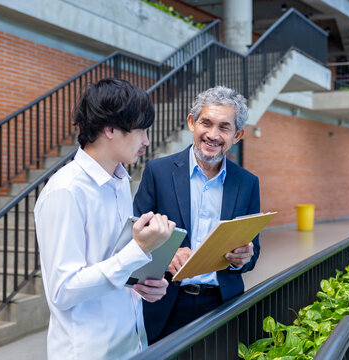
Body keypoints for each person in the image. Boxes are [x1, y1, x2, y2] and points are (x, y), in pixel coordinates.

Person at [34, 78, 176, 360]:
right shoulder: (66, 191)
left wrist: (142, 286)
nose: (147, 141)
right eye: (141, 130)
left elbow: (111, 264)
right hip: (90, 351)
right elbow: (64, 290)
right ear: (109, 129)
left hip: (132, 342)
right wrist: (138, 250)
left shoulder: (120, 181)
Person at [133, 86, 261, 343]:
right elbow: (134, 235)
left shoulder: (248, 183)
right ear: (192, 123)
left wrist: (242, 258)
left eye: (224, 127)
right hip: (167, 304)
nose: (213, 135)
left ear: (237, 135)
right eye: (206, 123)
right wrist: (165, 254)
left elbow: (253, 251)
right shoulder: (158, 172)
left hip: (224, 305)